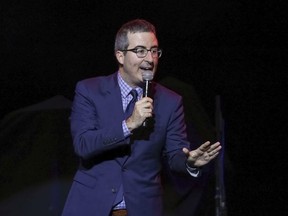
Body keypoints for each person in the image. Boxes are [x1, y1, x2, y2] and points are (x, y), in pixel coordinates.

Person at [62, 19, 221, 216]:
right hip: (90, 206)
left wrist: (188, 162)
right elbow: (83, 145)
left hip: (142, 207)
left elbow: (174, 155)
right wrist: (129, 125)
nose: (150, 59)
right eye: (140, 51)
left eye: (154, 51)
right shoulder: (89, 90)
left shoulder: (170, 101)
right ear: (120, 55)